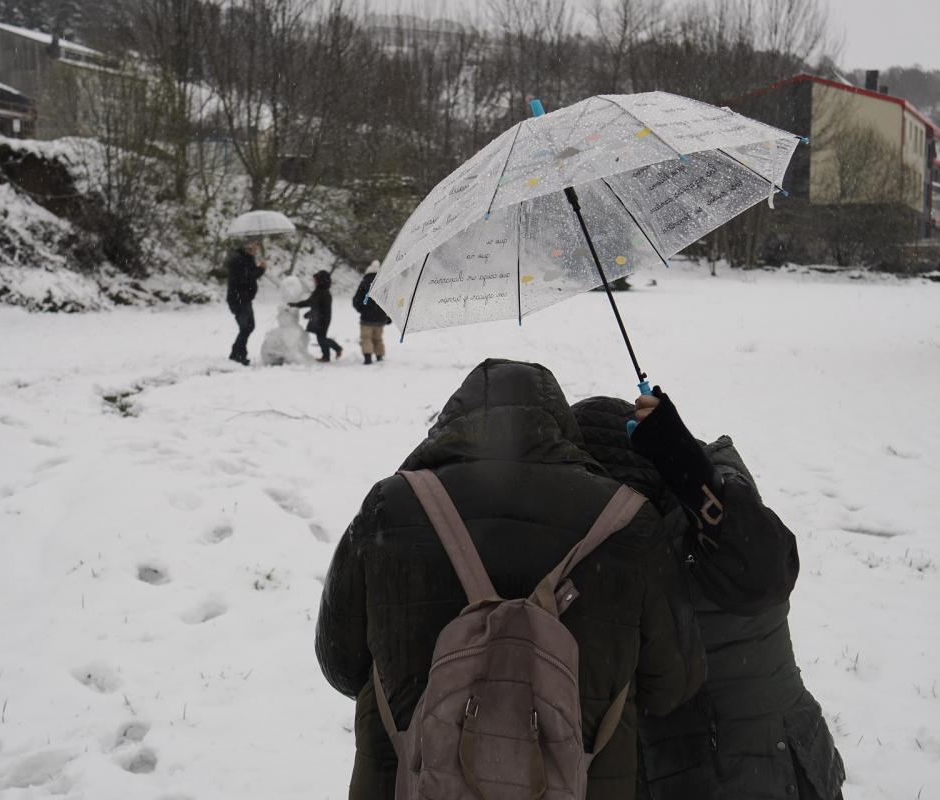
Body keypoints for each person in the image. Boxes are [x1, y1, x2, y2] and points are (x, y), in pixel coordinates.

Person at [315, 359, 706, 800]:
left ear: (450, 422)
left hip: (407, 780)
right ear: (561, 426)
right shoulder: (628, 522)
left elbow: (340, 662)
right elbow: (674, 682)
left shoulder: (392, 505)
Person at [570, 393, 846, 800]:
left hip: (771, 768)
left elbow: (765, 569)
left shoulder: (711, 506)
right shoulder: (624, 542)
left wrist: (695, 480)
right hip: (709, 771)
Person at [225, 241, 265, 366]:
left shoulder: (247, 259)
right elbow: (246, 277)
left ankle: (237, 353)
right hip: (238, 299)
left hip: (245, 299)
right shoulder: (238, 260)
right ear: (247, 248)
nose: (255, 250)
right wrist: (260, 270)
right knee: (246, 327)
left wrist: (260, 268)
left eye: (256, 248)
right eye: (253, 248)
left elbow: (251, 273)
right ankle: (238, 355)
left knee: (249, 326)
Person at [290, 269, 342, 362]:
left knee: (321, 339)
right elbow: (316, 305)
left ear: (321, 281)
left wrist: (296, 305)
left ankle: (335, 350)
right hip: (321, 318)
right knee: (321, 337)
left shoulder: (322, 293)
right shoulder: (321, 291)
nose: (314, 282)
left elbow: (310, 303)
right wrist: (310, 313)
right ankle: (328, 355)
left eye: (316, 280)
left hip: (322, 319)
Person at [352, 260, 391, 365]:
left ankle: (368, 357)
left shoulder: (364, 282)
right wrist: (388, 316)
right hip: (380, 318)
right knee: (378, 338)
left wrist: (361, 309)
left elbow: (356, 300)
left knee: (366, 338)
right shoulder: (385, 283)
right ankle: (379, 356)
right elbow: (388, 301)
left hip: (366, 318)